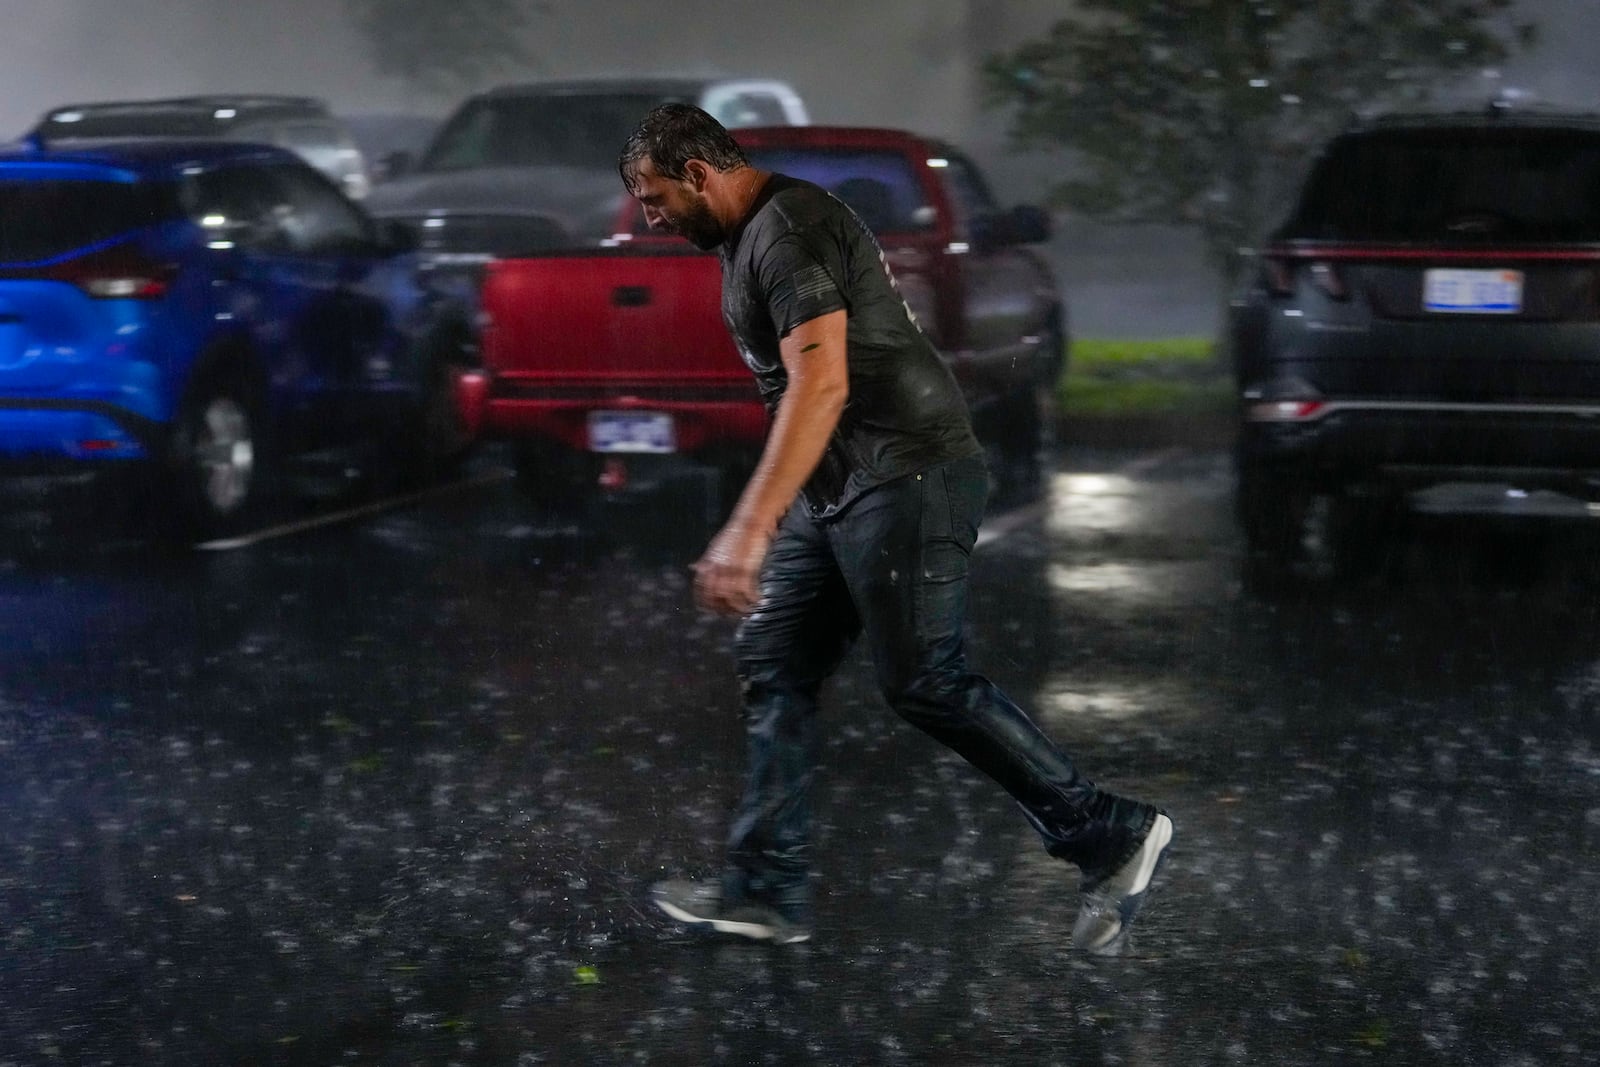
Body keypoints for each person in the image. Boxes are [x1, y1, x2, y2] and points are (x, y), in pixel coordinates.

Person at [618, 104, 1172, 952]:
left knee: (925, 680)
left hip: (909, 470)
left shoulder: (788, 231)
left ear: (698, 173)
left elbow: (821, 385)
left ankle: (1111, 832)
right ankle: (762, 892)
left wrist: (747, 527)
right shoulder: (750, 234)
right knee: (776, 658)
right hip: (844, 481)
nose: (650, 220)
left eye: (655, 200)